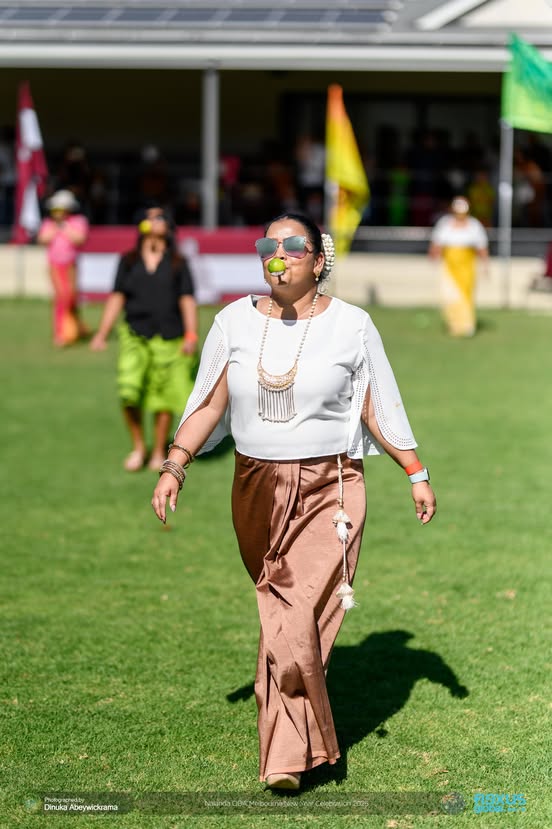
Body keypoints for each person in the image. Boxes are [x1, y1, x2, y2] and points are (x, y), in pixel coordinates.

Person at [151, 212, 437, 790]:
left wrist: (415, 470)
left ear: (319, 259)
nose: (277, 255)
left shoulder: (352, 325)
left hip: (330, 488)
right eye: (267, 245)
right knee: (281, 611)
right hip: (254, 484)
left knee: (298, 610)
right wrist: (175, 464)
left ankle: (284, 757)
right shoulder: (232, 320)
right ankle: (296, 738)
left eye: (292, 245)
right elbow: (208, 403)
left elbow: (376, 405)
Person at [89, 206, 198, 471]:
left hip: (169, 337)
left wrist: (191, 333)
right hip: (135, 335)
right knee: (129, 391)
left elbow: (187, 300)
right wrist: (102, 333)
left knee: (163, 398)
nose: (153, 221)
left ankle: (158, 449)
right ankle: (138, 446)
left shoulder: (179, 263)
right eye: (149, 217)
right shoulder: (128, 261)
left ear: (169, 227)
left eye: (160, 217)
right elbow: (117, 297)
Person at [429, 196, 489, 337]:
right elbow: (437, 244)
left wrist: (485, 264)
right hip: (450, 267)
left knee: (466, 296)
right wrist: (434, 255)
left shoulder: (474, 225)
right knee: (449, 295)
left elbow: (481, 247)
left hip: (467, 268)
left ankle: (467, 326)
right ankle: (454, 324)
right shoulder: (445, 224)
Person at [36, 189, 90, 346]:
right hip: (55, 265)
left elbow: (79, 239)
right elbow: (42, 239)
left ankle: (76, 327)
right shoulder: (48, 224)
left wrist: (65, 227)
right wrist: (55, 228)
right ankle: (61, 333)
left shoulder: (78, 221)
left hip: (71, 265)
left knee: (72, 297)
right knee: (61, 297)